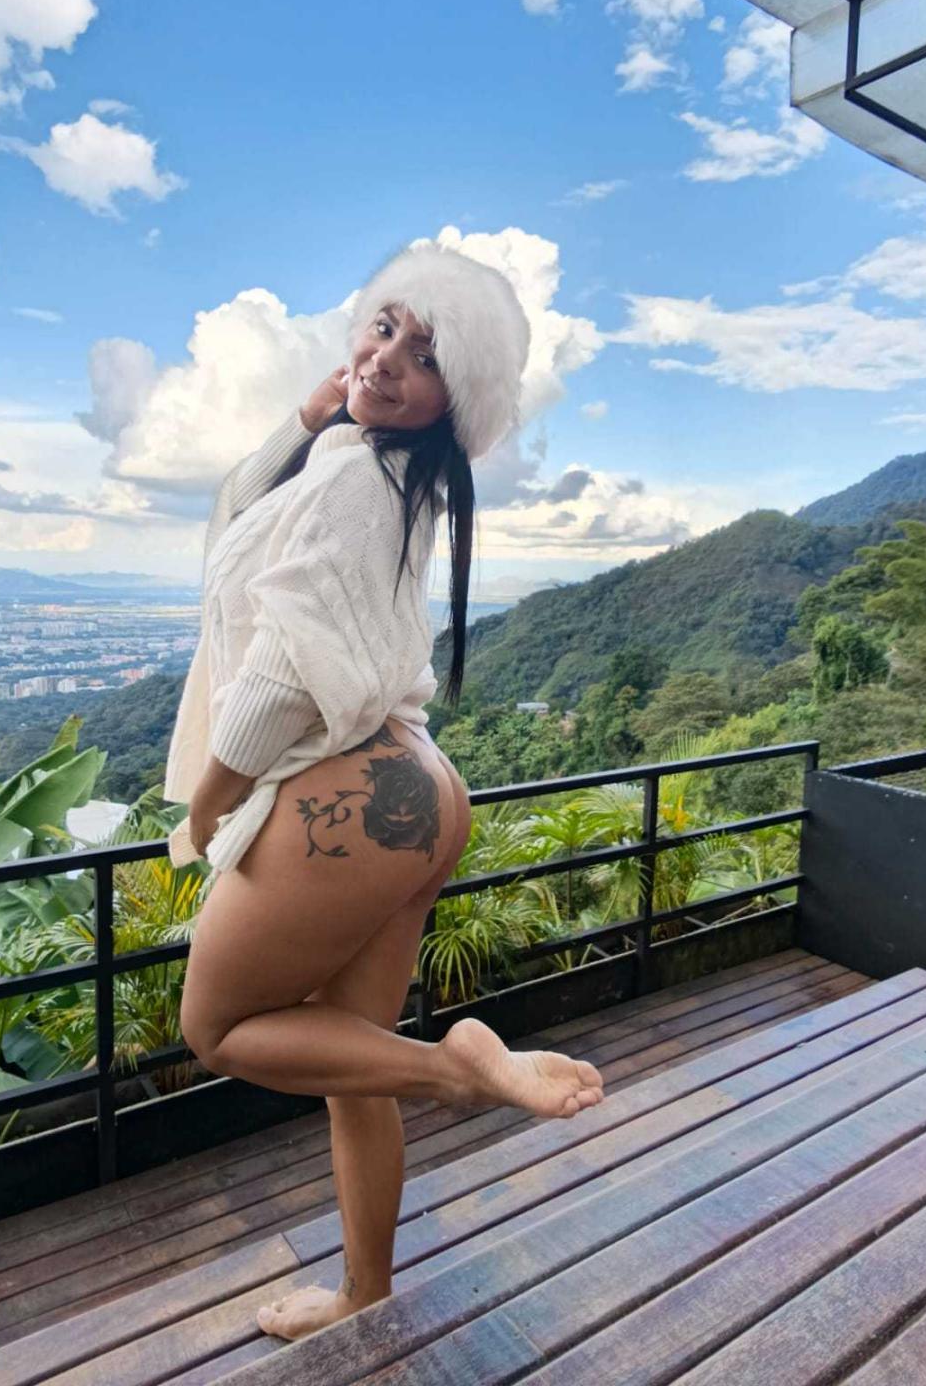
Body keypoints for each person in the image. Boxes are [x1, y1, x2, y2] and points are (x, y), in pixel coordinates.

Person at [165, 241, 605, 1343]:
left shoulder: (360, 480)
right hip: (418, 787)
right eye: (386, 326)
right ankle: (364, 1292)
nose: (389, 358)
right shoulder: (381, 472)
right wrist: (310, 416)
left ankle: (454, 1071)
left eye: (427, 354)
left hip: (345, 801)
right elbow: (235, 522)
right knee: (352, 1072)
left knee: (218, 1027)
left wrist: (209, 801)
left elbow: (279, 670)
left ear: (458, 401)